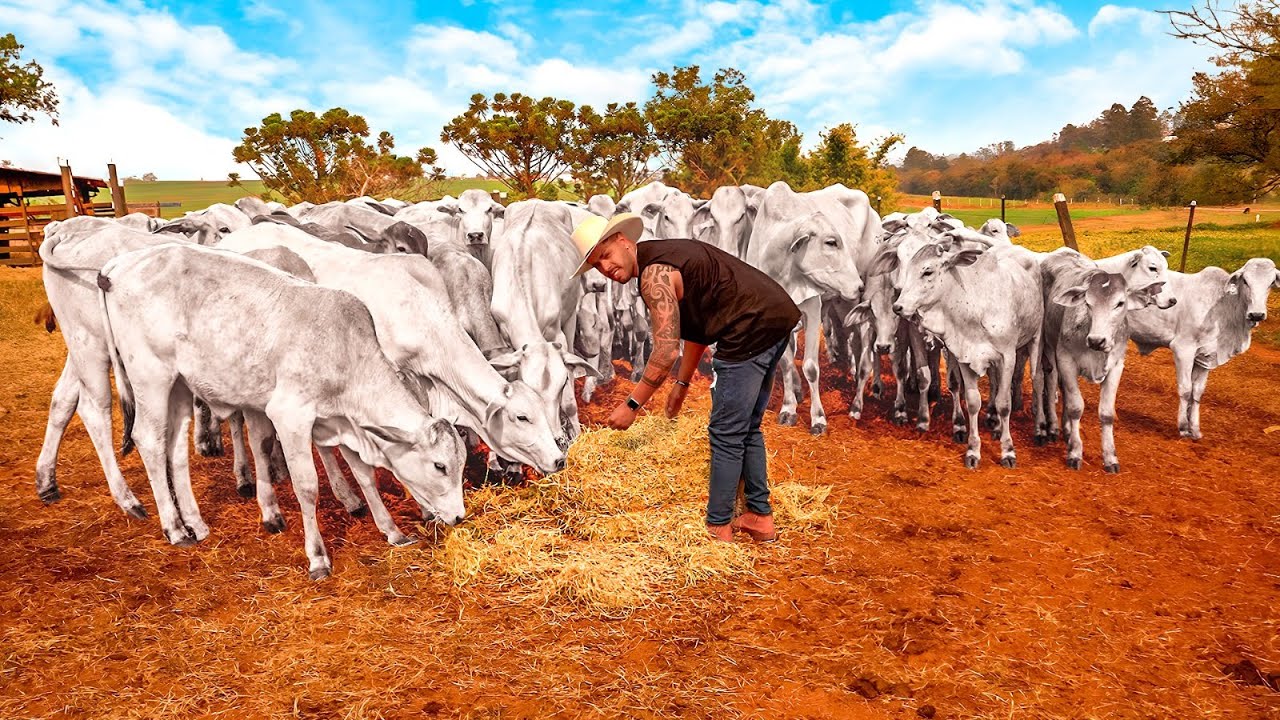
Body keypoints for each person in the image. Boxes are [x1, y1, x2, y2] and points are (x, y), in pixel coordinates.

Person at [570, 213, 801, 542]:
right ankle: (759, 517)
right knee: (746, 426)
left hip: (750, 327)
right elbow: (698, 327)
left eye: (605, 256)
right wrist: (681, 383)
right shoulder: (667, 255)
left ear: (623, 241)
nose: (605, 268)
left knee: (726, 433)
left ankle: (718, 527)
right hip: (776, 316)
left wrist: (632, 404)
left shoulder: (654, 276)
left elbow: (664, 351)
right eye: (596, 265)